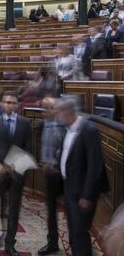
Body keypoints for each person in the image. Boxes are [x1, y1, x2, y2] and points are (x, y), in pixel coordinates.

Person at [56, 98, 109, 256]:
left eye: (59, 112)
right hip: (70, 187)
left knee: (79, 232)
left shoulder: (88, 130)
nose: (57, 116)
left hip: (82, 193)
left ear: (68, 112)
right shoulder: (69, 128)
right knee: (73, 230)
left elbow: (95, 166)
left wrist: (87, 195)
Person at [0, 91, 33, 256]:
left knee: (13, 208)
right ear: (1, 104)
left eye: (12, 102)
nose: (8, 105)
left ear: (17, 105)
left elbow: (29, 150)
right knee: (1, 206)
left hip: (17, 174)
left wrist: (16, 165)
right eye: (6, 102)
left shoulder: (26, 123)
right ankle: (3, 234)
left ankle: (10, 243)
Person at [37, 97, 65, 255]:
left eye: (48, 108)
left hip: (62, 174)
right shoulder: (44, 124)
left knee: (71, 212)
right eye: (43, 109)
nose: (45, 112)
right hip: (49, 174)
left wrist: (54, 161)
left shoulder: (63, 126)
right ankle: (52, 243)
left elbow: (67, 149)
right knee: (51, 210)